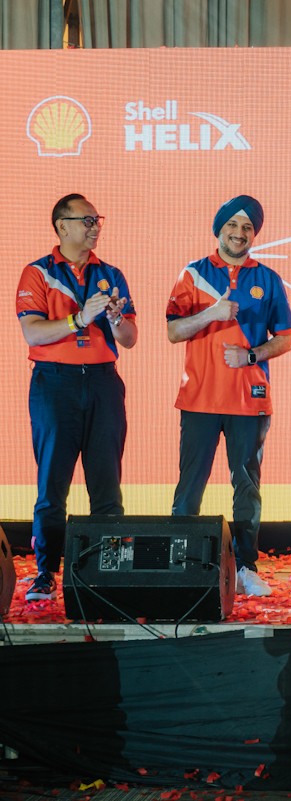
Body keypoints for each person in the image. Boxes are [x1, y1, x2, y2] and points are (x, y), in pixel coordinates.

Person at [166, 195, 291, 597]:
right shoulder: (194, 274)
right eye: (233, 225)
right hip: (200, 400)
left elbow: (287, 337)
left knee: (247, 486)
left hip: (249, 400)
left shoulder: (268, 279)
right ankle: (181, 564)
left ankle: (246, 567)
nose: (239, 233)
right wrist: (211, 314)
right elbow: (173, 331)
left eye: (247, 227)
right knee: (190, 485)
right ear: (219, 228)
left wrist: (252, 354)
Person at [17, 194, 138, 602]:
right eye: (85, 220)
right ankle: (46, 573)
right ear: (61, 226)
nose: (94, 226)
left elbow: (130, 339)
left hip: (103, 381)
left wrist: (116, 320)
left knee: (107, 485)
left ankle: (112, 573)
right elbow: (33, 332)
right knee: (53, 484)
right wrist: (79, 319)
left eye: (96, 219)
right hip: (56, 383)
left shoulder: (110, 273)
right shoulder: (38, 273)